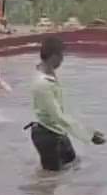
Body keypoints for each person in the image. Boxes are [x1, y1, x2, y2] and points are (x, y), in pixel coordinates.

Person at [28, 36, 95, 172]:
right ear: (54, 56)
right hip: (47, 135)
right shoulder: (42, 83)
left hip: (56, 131)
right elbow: (58, 116)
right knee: (50, 179)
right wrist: (88, 135)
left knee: (73, 165)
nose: (63, 59)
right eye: (61, 55)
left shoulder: (47, 73)